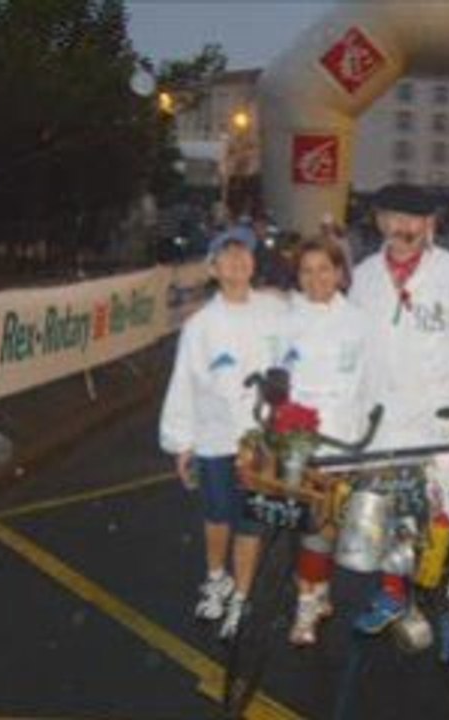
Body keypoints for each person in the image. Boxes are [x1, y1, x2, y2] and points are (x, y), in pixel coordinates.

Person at [349, 183, 449, 634]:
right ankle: (393, 596)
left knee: (444, 516)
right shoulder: (364, 276)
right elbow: (349, 345)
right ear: (380, 222)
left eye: (412, 219)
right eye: (393, 218)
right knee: (387, 512)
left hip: (442, 420)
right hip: (383, 423)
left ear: (429, 224)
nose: (402, 228)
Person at [158, 225, 288, 640]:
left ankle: (241, 596)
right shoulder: (200, 325)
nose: (237, 261)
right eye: (227, 255)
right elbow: (183, 383)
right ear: (213, 269)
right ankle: (216, 579)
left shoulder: (276, 310)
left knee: (250, 522)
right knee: (216, 517)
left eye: (243, 253)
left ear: (253, 262)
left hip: (261, 441)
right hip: (215, 438)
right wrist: (181, 442)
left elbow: (309, 335)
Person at [282, 237, 372, 646]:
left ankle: (314, 593)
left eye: (324, 269)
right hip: (297, 441)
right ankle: (309, 598)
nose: (315, 278)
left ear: (339, 273)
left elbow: (371, 383)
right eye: (306, 270)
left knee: (325, 525)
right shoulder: (285, 318)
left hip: (342, 438)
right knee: (310, 526)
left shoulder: (359, 321)